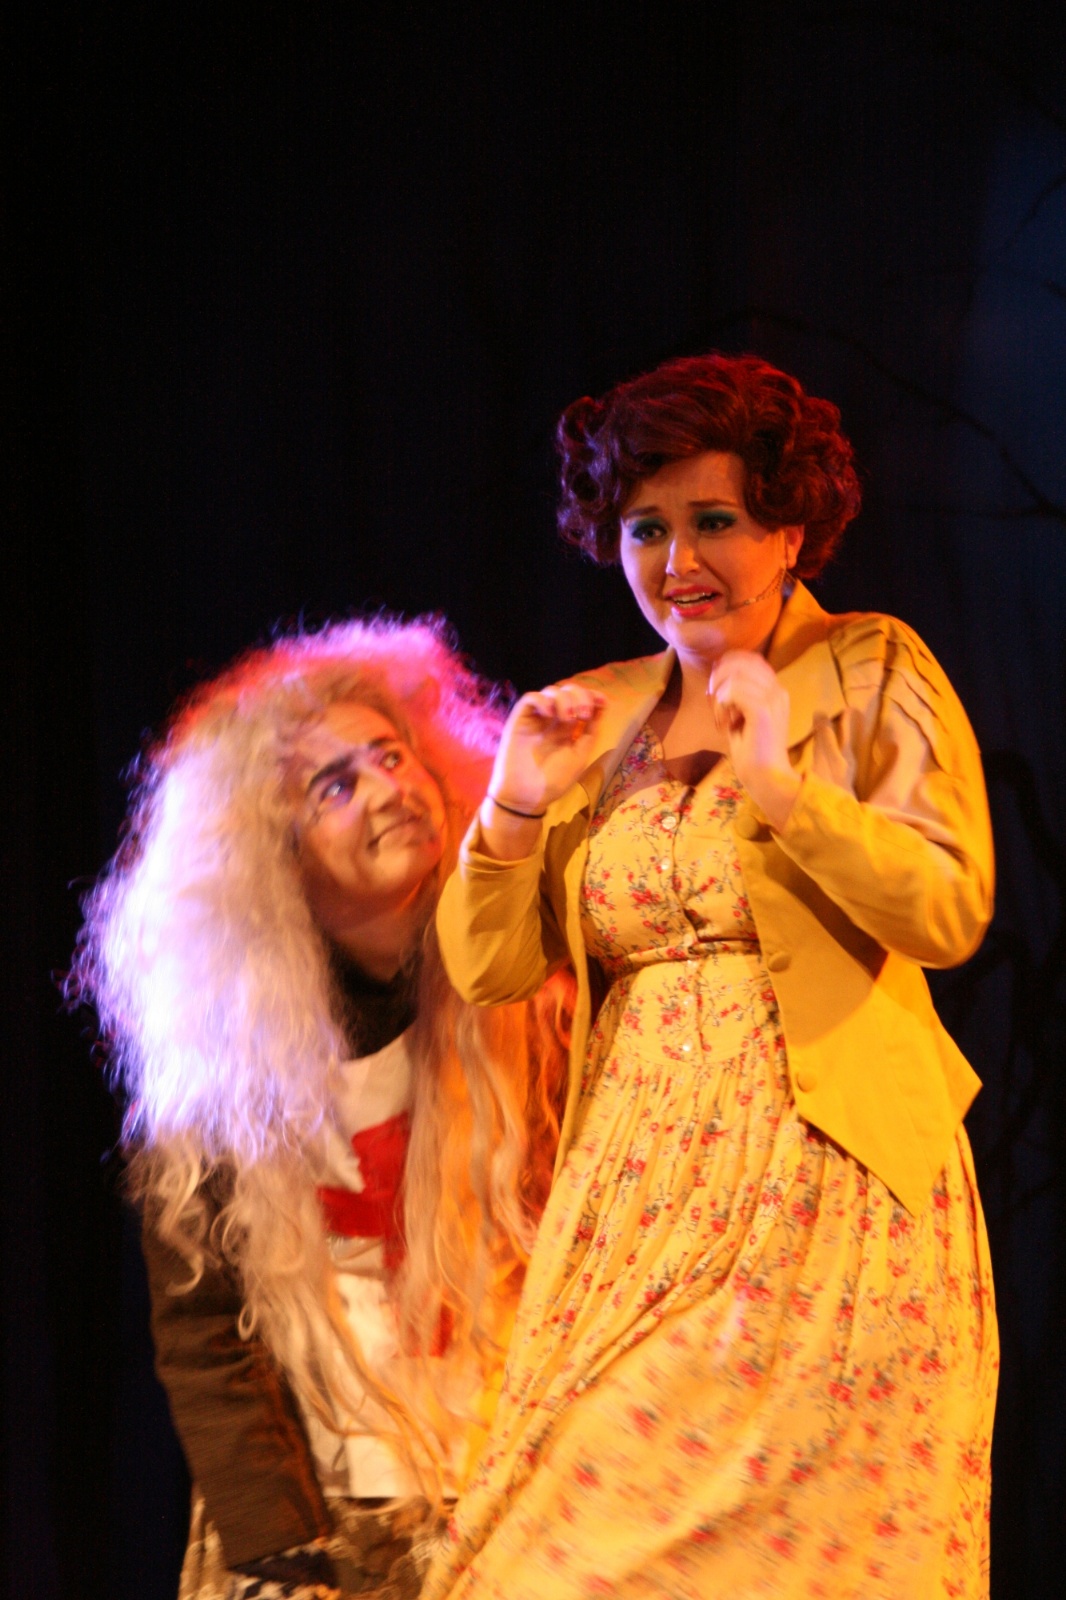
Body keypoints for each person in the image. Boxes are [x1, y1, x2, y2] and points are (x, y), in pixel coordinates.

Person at [427, 353, 998, 1598]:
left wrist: (785, 790)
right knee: (544, 1559)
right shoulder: (596, 712)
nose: (679, 560)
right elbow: (490, 966)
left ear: (790, 530)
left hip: (827, 1181)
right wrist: (512, 807)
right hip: (631, 1193)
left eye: (715, 520)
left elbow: (948, 908)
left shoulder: (866, 666)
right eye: (647, 528)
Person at [72, 617, 568, 1600]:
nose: (386, 788)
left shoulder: (533, 998)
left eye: (391, 754)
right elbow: (205, 1329)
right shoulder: (221, 1071)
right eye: (333, 786)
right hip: (321, 1524)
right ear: (271, 854)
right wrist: (277, 1539)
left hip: (516, 1501)